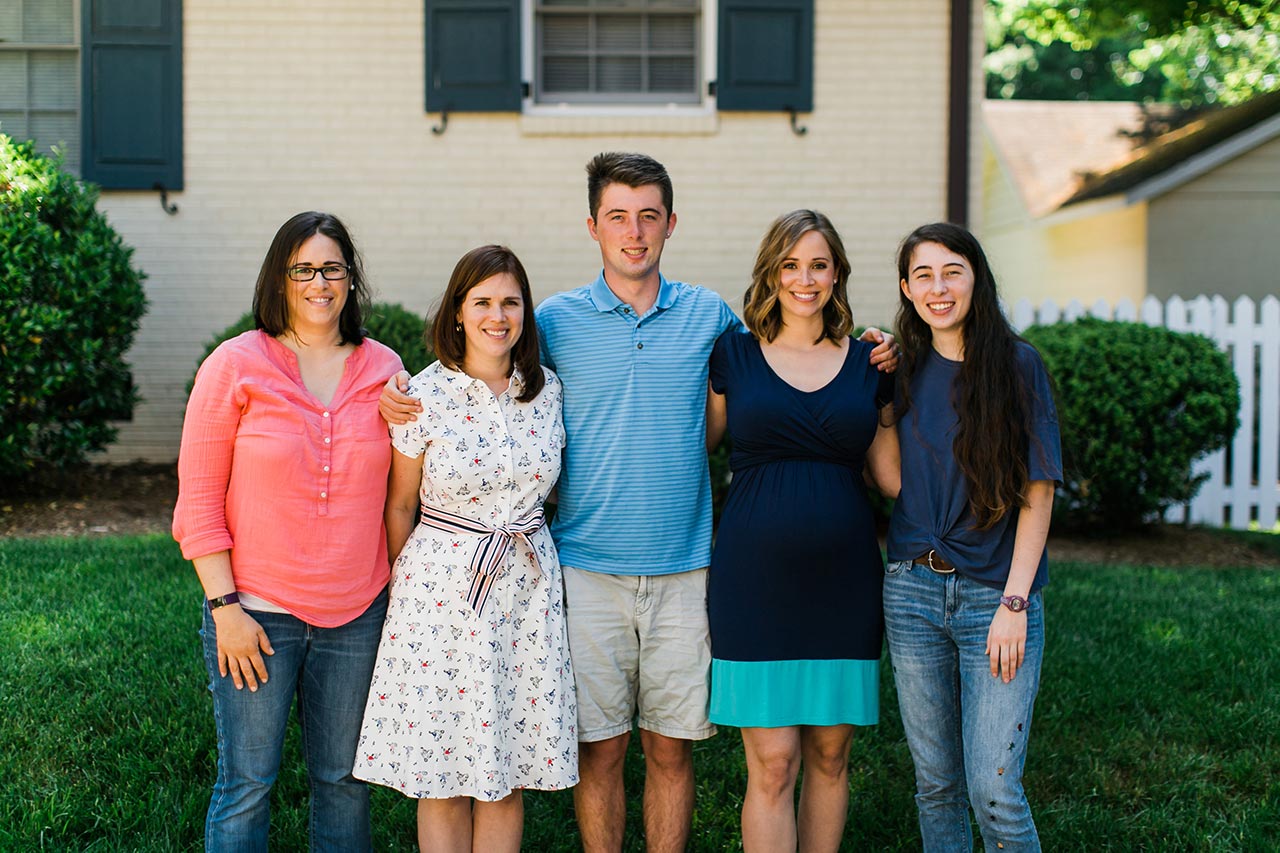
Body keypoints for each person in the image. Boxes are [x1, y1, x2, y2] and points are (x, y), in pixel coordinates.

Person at [380, 152, 898, 852]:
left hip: (686, 569)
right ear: (592, 225)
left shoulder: (712, 319)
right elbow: (484, 376)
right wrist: (399, 393)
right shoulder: (554, 323)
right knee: (601, 752)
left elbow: (792, 353)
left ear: (671, 224)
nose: (634, 231)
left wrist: (875, 352)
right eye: (618, 216)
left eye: (649, 216)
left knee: (669, 750)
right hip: (585, 571)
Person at [173, 211, 403, 852]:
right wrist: (225, 608)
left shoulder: (384, 370)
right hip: (256, 614)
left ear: (351, 279)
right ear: (280, 280)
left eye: (332, 268)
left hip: (357, 615)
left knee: (344, 783)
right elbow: (197, 501)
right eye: (303, 269)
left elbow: (408, 489)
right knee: (248, 784)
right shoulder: (235, 365)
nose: (319, 282)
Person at [354, 245, 576, 852]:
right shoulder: (421, 395)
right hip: (442, 596)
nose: (497, 315)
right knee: (443, 773)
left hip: (527, 591)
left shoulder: (546, 391)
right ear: (457, 312)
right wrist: (411, 590)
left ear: (525, 313)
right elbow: (400, 505)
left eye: (510, 301)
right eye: (482, 302)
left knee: (507, 773)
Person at [704, 210, 899, 852]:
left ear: (837, 272)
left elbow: (891, 480)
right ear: (772, 272)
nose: (804, 278)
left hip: (844, 583)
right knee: (773, 762)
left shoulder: (872, 361)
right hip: (753, 582)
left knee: (830, 756)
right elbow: (694, 447)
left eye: (818, 264)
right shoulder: (731, 354)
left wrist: (893, 398)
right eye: (790, 264)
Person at [884, 222, 1061, 853]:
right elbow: (890, 480)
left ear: (976, 279)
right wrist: (878, 399)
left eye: (952, 271)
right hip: (910, 591)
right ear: (906, 289)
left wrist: (1015, 604)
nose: (939, 287)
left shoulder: (1017, 366)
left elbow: (1038, 492)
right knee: (935, 784)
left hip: (994, 594)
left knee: (994, 789)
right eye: (923, 275)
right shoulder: (901, 369)